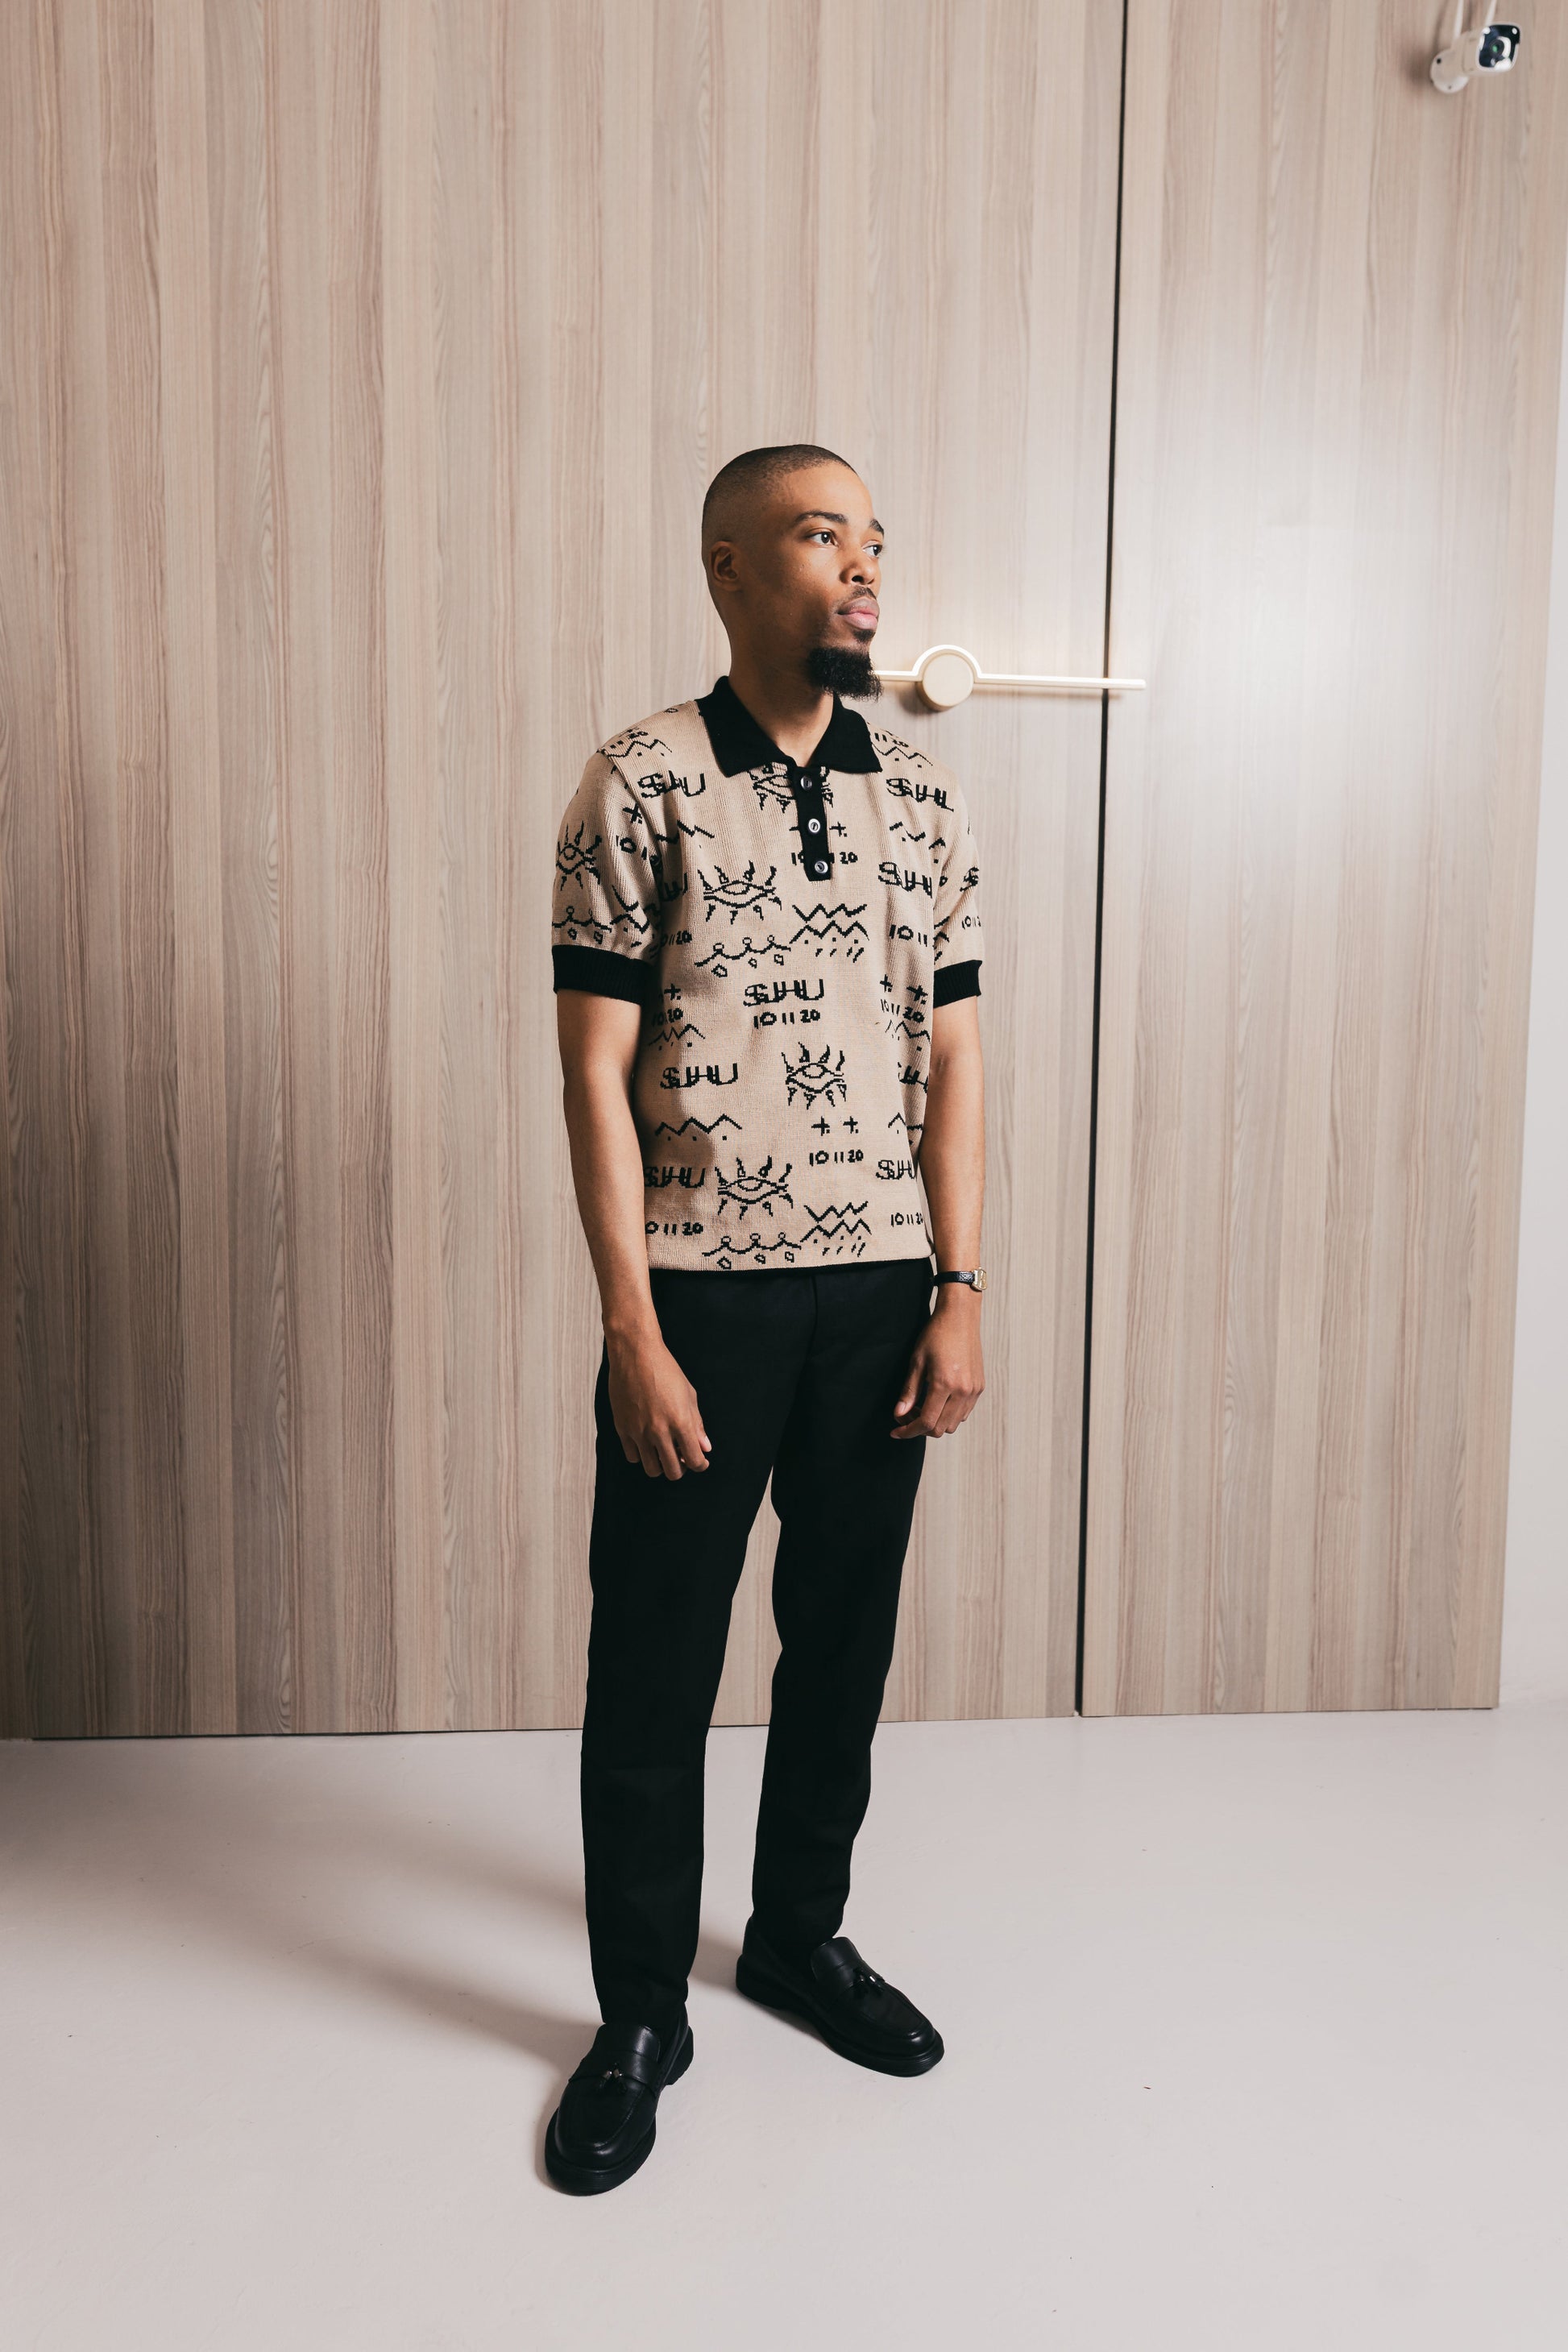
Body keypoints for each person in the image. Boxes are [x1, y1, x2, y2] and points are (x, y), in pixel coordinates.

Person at [544, 444, 987, 2194]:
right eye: (821, 537)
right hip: (701, 1295)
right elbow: (588, 1069)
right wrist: (631, 1326)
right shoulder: (639, 780)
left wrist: (957, 1285)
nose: (860, 570)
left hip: (881, 1294)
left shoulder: (927, 799)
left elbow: (953, 1057)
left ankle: (798, 1933)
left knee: (843, 1642)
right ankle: (640, 2011)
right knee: (653, 1662)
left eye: (874, 541)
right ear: (728, 570)